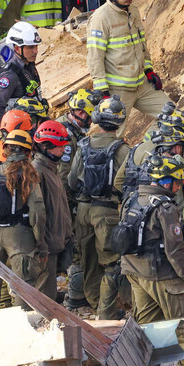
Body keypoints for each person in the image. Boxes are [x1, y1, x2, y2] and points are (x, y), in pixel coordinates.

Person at [121, 154, 184, 357]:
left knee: (148, 323)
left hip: (133, 271)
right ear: (167, 181)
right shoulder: (165, 208)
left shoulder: (131, 198)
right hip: (160, 274)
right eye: (177, 182)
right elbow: (175, 250)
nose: (178, 187)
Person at [69, 96, 130, 319]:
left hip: (83, 210)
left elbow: (71, 181)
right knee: (111, 263)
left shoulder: (83, 145)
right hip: (107, 211)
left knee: (89, 260)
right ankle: (106, 312)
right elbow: (128, 183)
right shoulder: (122, 150)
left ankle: (95, 304)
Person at [86, 0, 170, 119]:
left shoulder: (133, 10)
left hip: (142, 86)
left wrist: (149, 70)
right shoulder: (101, 18)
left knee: (173, 118)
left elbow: (141, 45)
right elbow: (95, 57)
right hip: (117, 92)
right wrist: (102, 91)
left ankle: (148, 143)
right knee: (113, 136)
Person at [0, 130, 47, 310]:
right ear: (28, 152)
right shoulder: (28, 174)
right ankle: (22, 326)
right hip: (19, 235)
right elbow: (37, 212)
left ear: (5, 149)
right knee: (23, 284)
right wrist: (39, 241)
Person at [32, 120, 74, 299]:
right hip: (46, 244)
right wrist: (41, 246)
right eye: (59, 146)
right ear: (46, 146)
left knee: (50, 288)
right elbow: (37, 214)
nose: (63, 150)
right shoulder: (37, 171)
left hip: (56, 240)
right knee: (44, 294)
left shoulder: (52, 168)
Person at [0, 21, 42, 126]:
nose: (36, 51)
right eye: (30, 47)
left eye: (36, 46)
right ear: (17, 48)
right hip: (22, 131)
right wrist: (9, 132)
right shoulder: (10, 75)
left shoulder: (29, 66)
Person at [58, 88, 98, 192]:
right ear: (80, 113)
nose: (91, 122)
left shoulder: (67, 122)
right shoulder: (67, 137)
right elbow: (63, 176)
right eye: (90, 118)